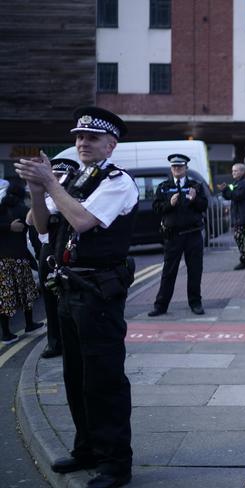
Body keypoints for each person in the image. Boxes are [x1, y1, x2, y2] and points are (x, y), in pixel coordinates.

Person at [16, 106, 137, 488]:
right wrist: (38, 191)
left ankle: (116, 464)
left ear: (110, 145)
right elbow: (40, 223)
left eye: (92, 138)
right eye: (78, 137)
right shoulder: (74, 178)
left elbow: (84, 221)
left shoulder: (117, 182)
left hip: (99, 292)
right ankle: (87, 448)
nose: (82, 143)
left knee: (104, 380)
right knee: (76, 376)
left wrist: (50, 183)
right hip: (69, 289)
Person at [148, 154, 208, 317]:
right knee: (169, 271)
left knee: (195, 270)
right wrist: (170, 204)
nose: (177, 169)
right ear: (171, 169)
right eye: (174, 167)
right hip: (173, 236)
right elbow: (156, 208)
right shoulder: (164, 187)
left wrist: (195, 200)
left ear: (186, 168)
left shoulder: (195, 185)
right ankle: (161, 305)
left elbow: (204, 206)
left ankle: (195, 303)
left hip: (193, 234)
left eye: (180, 167)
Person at [39, 158, 81, 358]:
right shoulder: (48, 196)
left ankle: (71, 341)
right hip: (47, 249)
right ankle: (54, 342)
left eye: (60, 176)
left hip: (66, 249)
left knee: (68, 299)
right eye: (53, 175)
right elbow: (33, 219)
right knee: (49, 298)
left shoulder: (72, 195)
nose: (55, 179)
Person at [0, 181, 44, 345]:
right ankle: (30, 324)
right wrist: (39, 256)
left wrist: (6, 227)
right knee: (26, 292)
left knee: (6, 297)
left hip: (2, 261)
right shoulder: (24, 210)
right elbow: (34, 238)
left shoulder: (1, 209)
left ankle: (6, 333)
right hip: (20, 258)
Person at [217, 163, 245, 270]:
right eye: (233, 171)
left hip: (244, 217)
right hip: (238, 217)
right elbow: (229, 196)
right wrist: (224, 190)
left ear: (243, 172)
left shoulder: (244, 184)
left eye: (236, 171)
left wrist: (226, 190)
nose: (233, 173)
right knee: (238, 238)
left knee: (240, 238)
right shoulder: (236, 182)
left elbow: (236, 195)